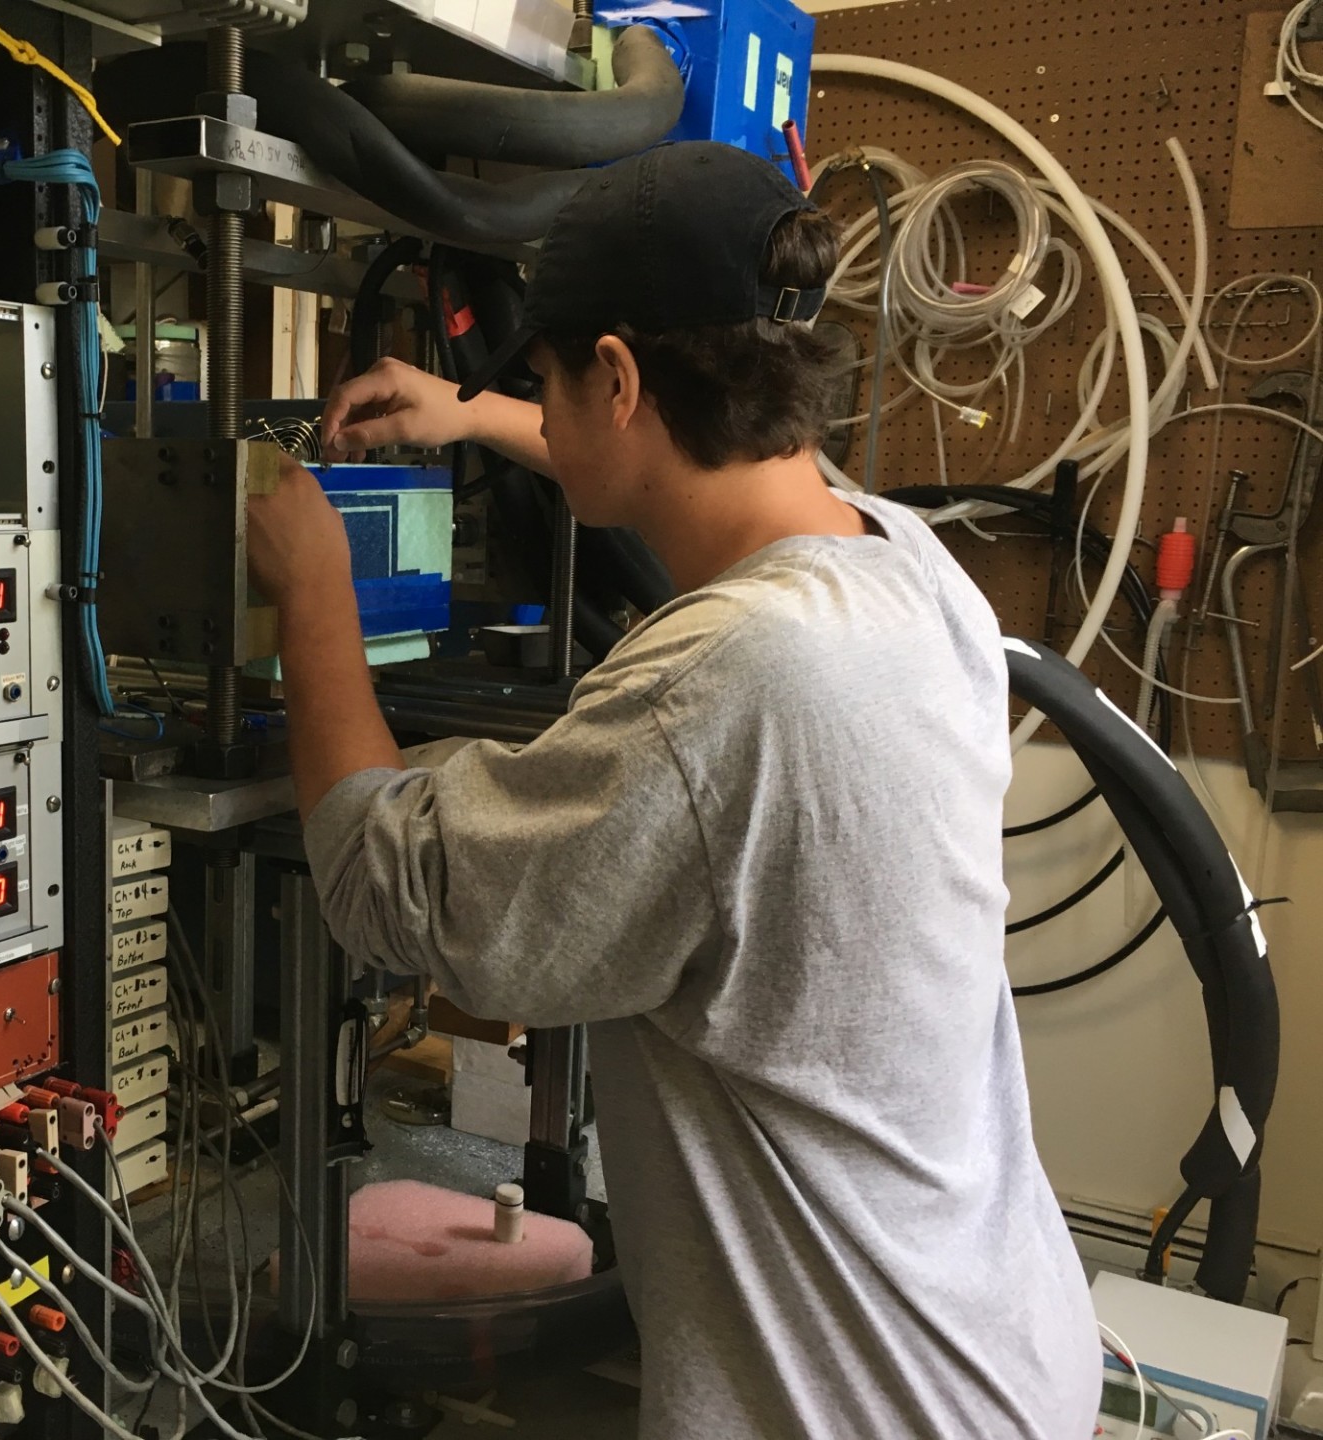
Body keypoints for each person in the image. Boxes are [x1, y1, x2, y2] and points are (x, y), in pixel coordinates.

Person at [244, 141, 1099, 1438]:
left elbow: (385, 879)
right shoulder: (905, 569)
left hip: (858, 1410)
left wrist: (312, 583)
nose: (535, 400)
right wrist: (476, 415)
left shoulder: (725, 684)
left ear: (623, 378)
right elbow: (659, 472)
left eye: (545, 378)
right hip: (1000, 1354)